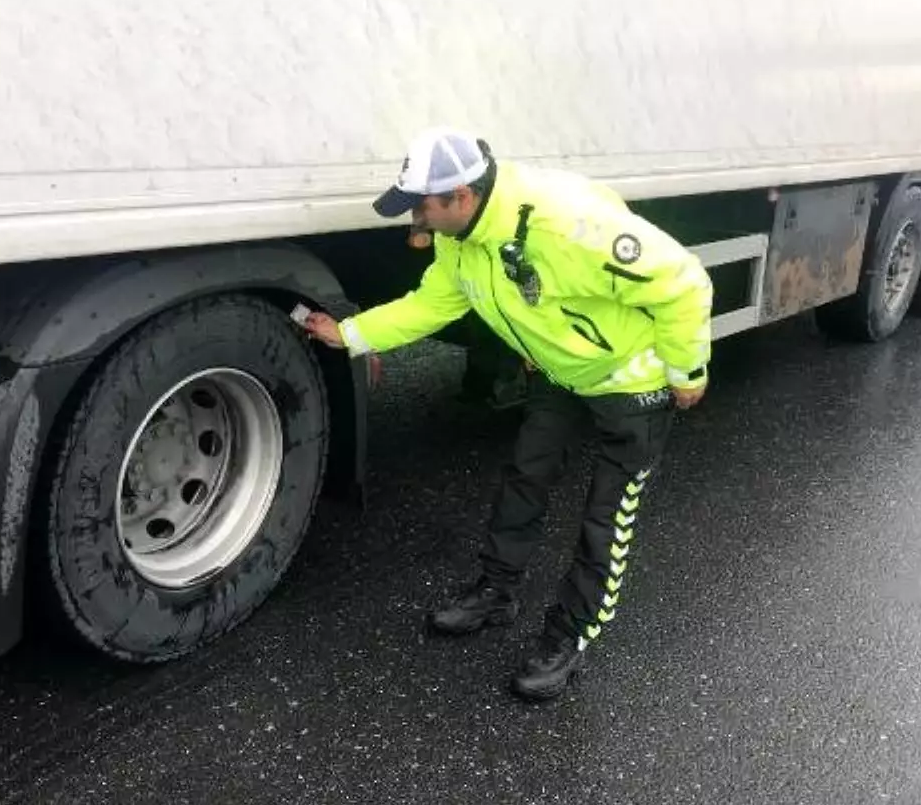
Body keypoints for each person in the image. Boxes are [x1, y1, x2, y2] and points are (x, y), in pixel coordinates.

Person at [301, 127, 712, 701]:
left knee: (605, 519)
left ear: (461, 197)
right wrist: (350, 335)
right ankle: (496, 592)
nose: (414, 221)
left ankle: (570, 637)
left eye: (421, 208)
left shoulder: (564, 226)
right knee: (525, 478)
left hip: (629, 381)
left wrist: (686, 373)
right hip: (557, 373)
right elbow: (433, 303)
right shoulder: (460, 238)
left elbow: (684, 282)